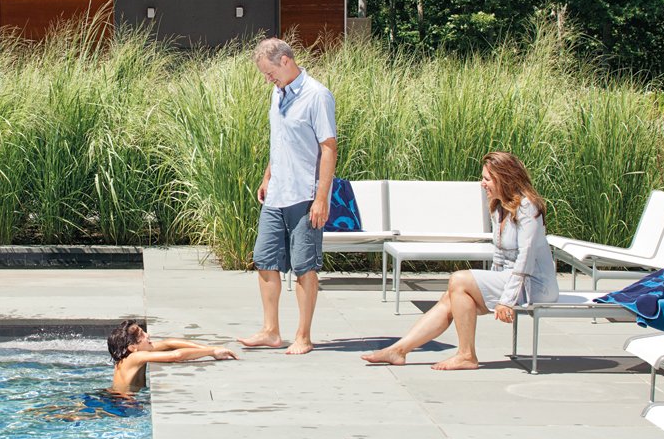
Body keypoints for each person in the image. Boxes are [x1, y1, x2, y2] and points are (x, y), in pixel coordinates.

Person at [362, 150, 558, 370]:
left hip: (535, 283)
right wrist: (489, 284)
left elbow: (526, 258)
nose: (482, 184)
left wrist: (506, 300)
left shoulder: (527, 207)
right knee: (452, 297)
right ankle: (398, 350)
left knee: (458, 279)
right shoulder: (498, 206)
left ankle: (466, 355)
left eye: (487, 179)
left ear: (504, 178)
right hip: (510, 278)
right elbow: (500, 254)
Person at [237, 37, 338, 356]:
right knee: (265, 260)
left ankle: (303, 336)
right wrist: (267, 176)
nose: (267, 79)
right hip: (277, 193)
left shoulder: (317, 95)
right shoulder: (276, 94)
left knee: (304, 267)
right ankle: (270, 331)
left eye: (269, 72)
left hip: (304, 195)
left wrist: (321, 198)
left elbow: (328, 148)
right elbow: (279, 140)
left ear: (285, 61)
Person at [108, 319, 237, 395]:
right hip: (121, 403)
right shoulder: (135, 357)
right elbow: (175, 356)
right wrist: (211, 352)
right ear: (132, 347)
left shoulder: (132, 353)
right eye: (142, 335)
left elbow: (169, 343)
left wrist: (210, 349)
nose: (147, 335)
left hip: (120, 398)